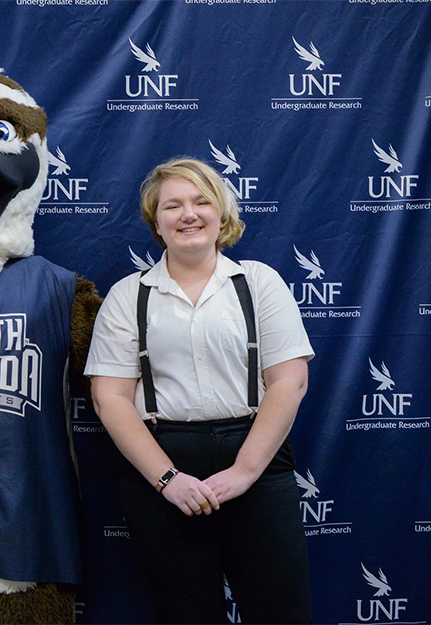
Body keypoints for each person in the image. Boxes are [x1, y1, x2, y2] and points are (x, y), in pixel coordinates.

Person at [85, 157, 313, 623]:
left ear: (222, 214)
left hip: (257, 458)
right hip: (163, 464)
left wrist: (246, 471)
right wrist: (167, 479)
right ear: (157, 223)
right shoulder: (129, 296)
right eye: (173, 206)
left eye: (201, 201)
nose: (188, 214)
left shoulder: (260, 283)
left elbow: (290, 381)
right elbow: (110, 399)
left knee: (282, 613)